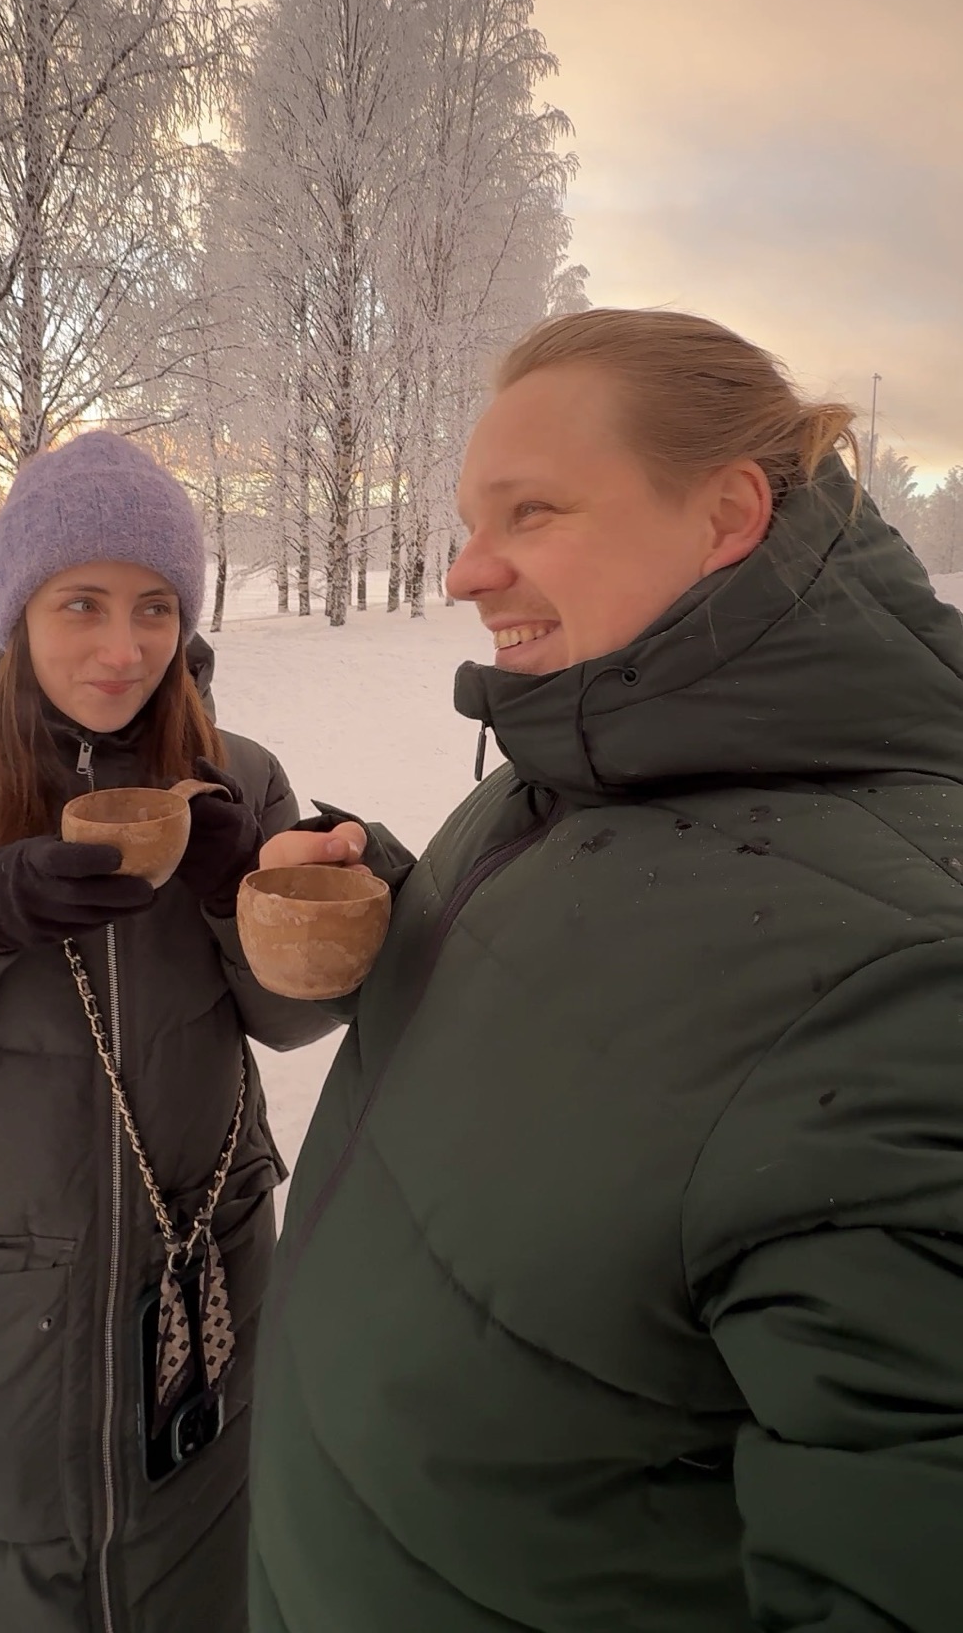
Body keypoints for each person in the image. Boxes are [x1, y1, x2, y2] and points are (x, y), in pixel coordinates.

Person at [249, 309, 963, 1633]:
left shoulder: (899, 983)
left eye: (528, 513)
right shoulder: (580, 755)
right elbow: (591, 992)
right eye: (470, 519)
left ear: (724, 515)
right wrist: (400, 902)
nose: (465, 574)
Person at [0, 431, 346, 1633]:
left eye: (156, 606)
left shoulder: (239, 776)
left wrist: (248, 900)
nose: (126, 649)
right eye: (82, 603)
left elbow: (287, 1020)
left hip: (210, 1332)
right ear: (13, 611)